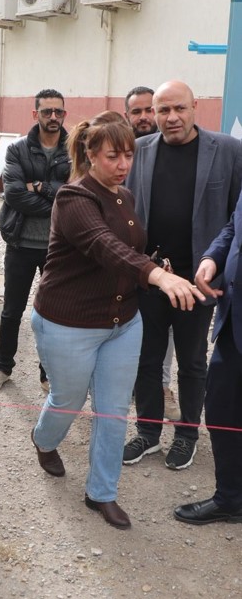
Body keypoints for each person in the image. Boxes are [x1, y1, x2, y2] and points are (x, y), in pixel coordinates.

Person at [29, 111, 203, 530]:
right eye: (113, 156)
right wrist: (157, 275)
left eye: (128, 155)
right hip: (68, 323)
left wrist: (154, 262)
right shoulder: (73, 198)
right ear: (90, 155)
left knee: (112, 411)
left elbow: (129, 250)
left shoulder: (124, 197)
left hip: (123, 322)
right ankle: (44, 440)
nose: (123, 164)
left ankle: (102, 493)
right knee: (68, 401)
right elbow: (103, 244)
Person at [123, 80, 242, 471]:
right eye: (163, 110)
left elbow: (235, 220)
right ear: (154, 114)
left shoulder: (228, 150)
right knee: (147, 359)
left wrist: (220, 267)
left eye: (179, 108)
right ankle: (147, 432)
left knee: (192, 362)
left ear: (195, 108)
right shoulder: (139, 150)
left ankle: (187, 434)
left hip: (198, 281)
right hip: (150, 277)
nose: (171, 117)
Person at [0, 89, 71, 395]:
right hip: (20, 243)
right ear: (35, 114)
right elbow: (15, 195)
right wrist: (56, 196)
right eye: (47, 111)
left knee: (53, 314)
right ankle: (2, 367)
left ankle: (48, 374)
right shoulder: (17, 149)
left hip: (58, 247)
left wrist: (41, 186)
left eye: (59, 111)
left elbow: (75, 193)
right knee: (12, 310)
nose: (53, 117)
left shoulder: (74, 148)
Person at [174, 194, 242, 524]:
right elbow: (234, 226)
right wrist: (212, 259)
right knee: (221, 409)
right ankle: (230, 499)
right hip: (234, 321)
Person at [124, 85, 179, 421]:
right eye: (137, 112)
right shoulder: (122, 152)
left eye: (149, 110)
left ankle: (162, 387)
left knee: (165, 331)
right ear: (127, 115)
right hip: (127, 258)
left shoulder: (173, 151)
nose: (144, 117)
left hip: (166, 264)